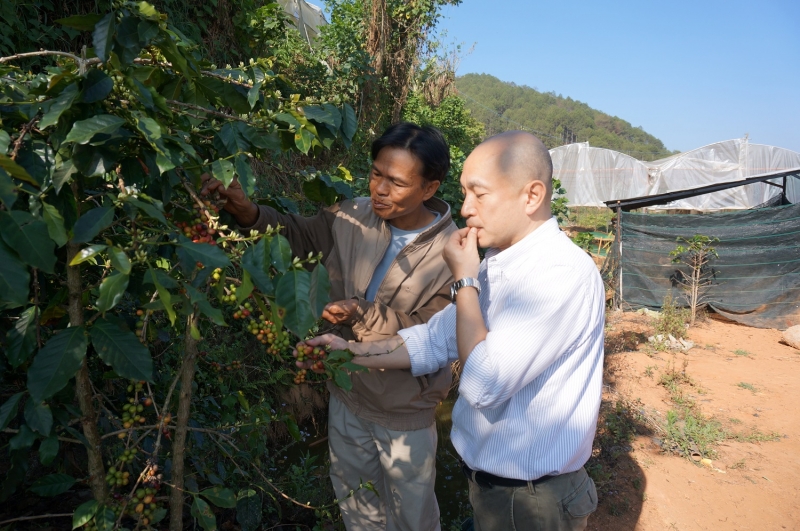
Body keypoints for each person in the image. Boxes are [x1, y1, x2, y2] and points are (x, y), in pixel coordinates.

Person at [301, 131, 604, 531]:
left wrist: (463, 280)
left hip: (533, 498)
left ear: (531, 196)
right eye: (464, 193)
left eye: (479, 195)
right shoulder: (499, 265)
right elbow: (430, 341)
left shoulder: (558, 273)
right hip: (497, 487)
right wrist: (346, 352)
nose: (465, 209)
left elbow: (481, 385)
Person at [201, 123, 457, 531]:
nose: (379, 189)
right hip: (347, 393)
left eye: (396, 182)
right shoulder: (353, 215)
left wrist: (361, 313)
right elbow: (300, 235)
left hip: (404, 410)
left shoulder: (454, 254)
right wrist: (249, 214)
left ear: (429, 188)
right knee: (357, 506)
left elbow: (433, 336)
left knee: (413, 518)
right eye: (376, 173)